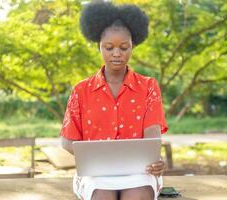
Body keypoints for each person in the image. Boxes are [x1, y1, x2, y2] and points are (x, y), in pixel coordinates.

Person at [60, 1, 168, 200]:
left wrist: (156, 160)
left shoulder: (149, 87)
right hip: (96, 174)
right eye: (109, 48)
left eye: (124, 47)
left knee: (136, 197)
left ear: (133, 46)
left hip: (139, 172)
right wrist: (93, 157)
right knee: (103, 197)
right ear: (98, 47)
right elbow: (67, 141)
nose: (116, 53)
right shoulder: (81, 90)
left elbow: (152, 138)